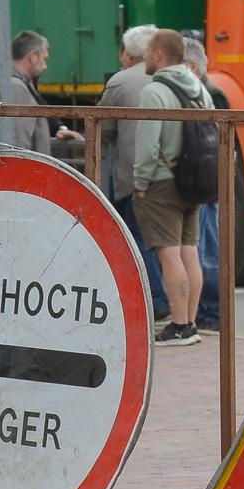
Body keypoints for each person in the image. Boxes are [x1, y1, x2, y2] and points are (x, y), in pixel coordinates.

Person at [130, 31, 211, 345]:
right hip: (194, 180)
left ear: (160, 55)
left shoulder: (155, 91)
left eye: (149, 51)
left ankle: (178, 325)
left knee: (169, 254)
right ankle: (190, 322)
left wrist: (140, 183)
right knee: (190, 251)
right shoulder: (198, 87)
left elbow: (148, 146)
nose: (146, 58)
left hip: (164, 181)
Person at [97, 26, 166, 313]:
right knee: (176, 243)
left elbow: (103, 128)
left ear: (131, 53)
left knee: (137, 239)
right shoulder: (174, 78)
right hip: (174, 175)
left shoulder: (120, 82)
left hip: (134, 176)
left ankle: (156, 301)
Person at [183, 31, 231, 334]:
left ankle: (212, 312)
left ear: (191, 66)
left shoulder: (208, 94)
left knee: (209, 248)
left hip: (206, 180)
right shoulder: (210, 92)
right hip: (208, 178)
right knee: (204, 247)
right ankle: (209, 311)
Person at [0, 30, 79, 154]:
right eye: (44, 58)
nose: (45, 66)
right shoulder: (15, 87)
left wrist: (57, 128)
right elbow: (17, 142)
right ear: (33, 56)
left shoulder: (19, 83)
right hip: (20, 169)